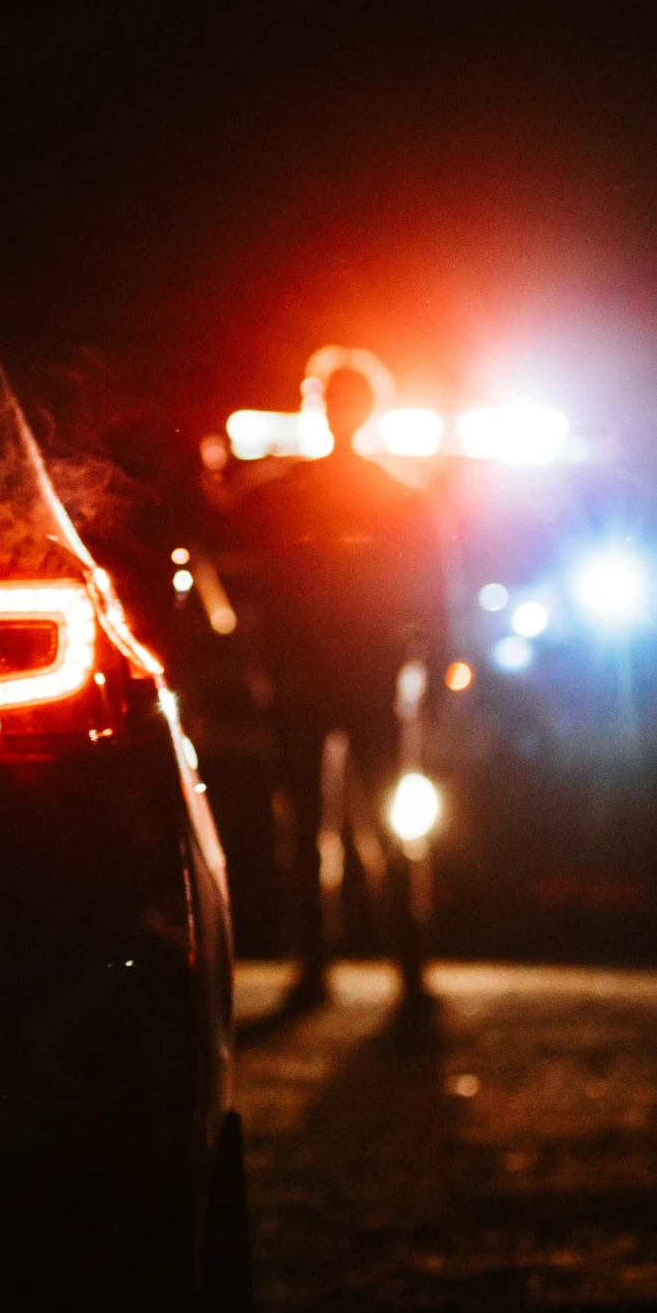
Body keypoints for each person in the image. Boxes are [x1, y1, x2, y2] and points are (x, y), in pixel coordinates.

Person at [234, 364, 447, 1019]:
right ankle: (403, 970)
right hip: (359, 678)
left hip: (319, 678)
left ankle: (324, 971)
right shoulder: (394, 496)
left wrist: (263, 670)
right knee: (381, 825)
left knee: (313, 829)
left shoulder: (291, 492)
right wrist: (432, 673)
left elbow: (258, 591)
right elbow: (429, 597)